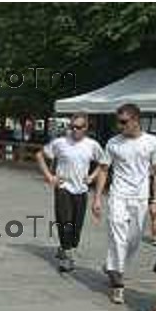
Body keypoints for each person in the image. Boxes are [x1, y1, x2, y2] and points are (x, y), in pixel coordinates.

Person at [93, 103, 156, 304]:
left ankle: (111, 265)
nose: (120, 126)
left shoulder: (152, 142)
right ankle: (118, 282)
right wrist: (97, 197)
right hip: (118, 195)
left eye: (124, 122)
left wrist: (155, 201)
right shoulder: (113, 143)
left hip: (140, 197)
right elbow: (104, 169)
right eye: (118, 122)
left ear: (136, 120)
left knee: (133, 240)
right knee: (118, 237)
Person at [35, 113, 105, 272]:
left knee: (76, 224)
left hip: (81, 189)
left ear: (86, 128)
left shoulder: (92, 145)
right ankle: (67, 255)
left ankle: (66, 246)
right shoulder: (60, 143)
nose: (75, 130)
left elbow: (103, 163)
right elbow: (39, 155)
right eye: (72, 127)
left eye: (79, 127)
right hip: (63, 187)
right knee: (64, 220)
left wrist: (92, 177)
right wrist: (49, 177)